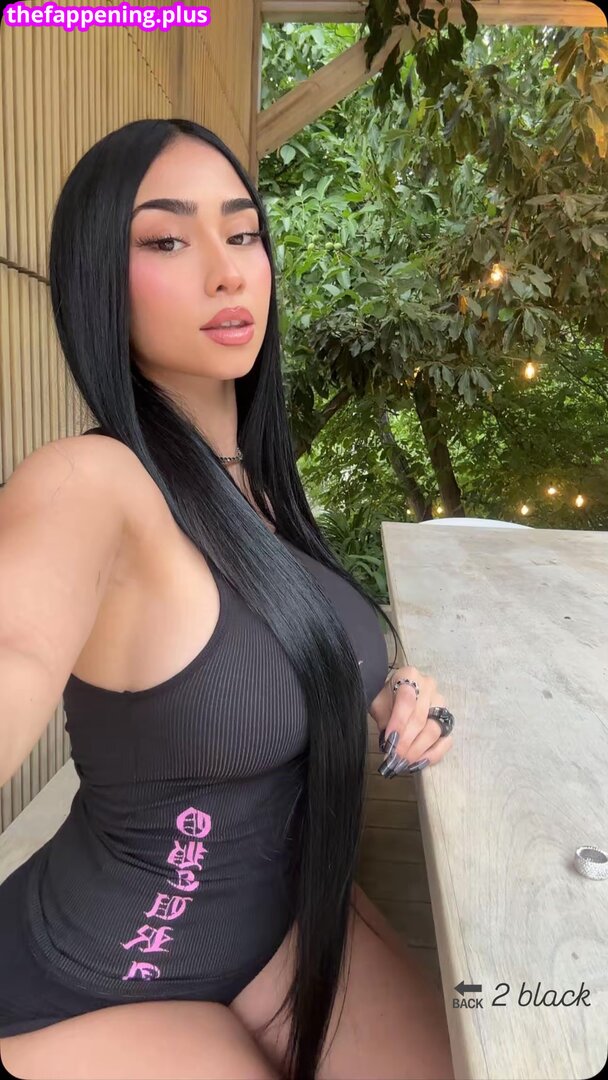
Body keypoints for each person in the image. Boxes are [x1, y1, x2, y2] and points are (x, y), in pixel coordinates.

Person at [0, 119, 454, 1080]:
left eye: (243, 233)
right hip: (85, 980)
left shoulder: (257, 487)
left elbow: (276, 652)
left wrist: (389, 690)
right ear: (97, 280)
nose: (226, 271)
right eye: (167, 239)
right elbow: (16, 649)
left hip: (276, 923)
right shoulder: (90, 483)